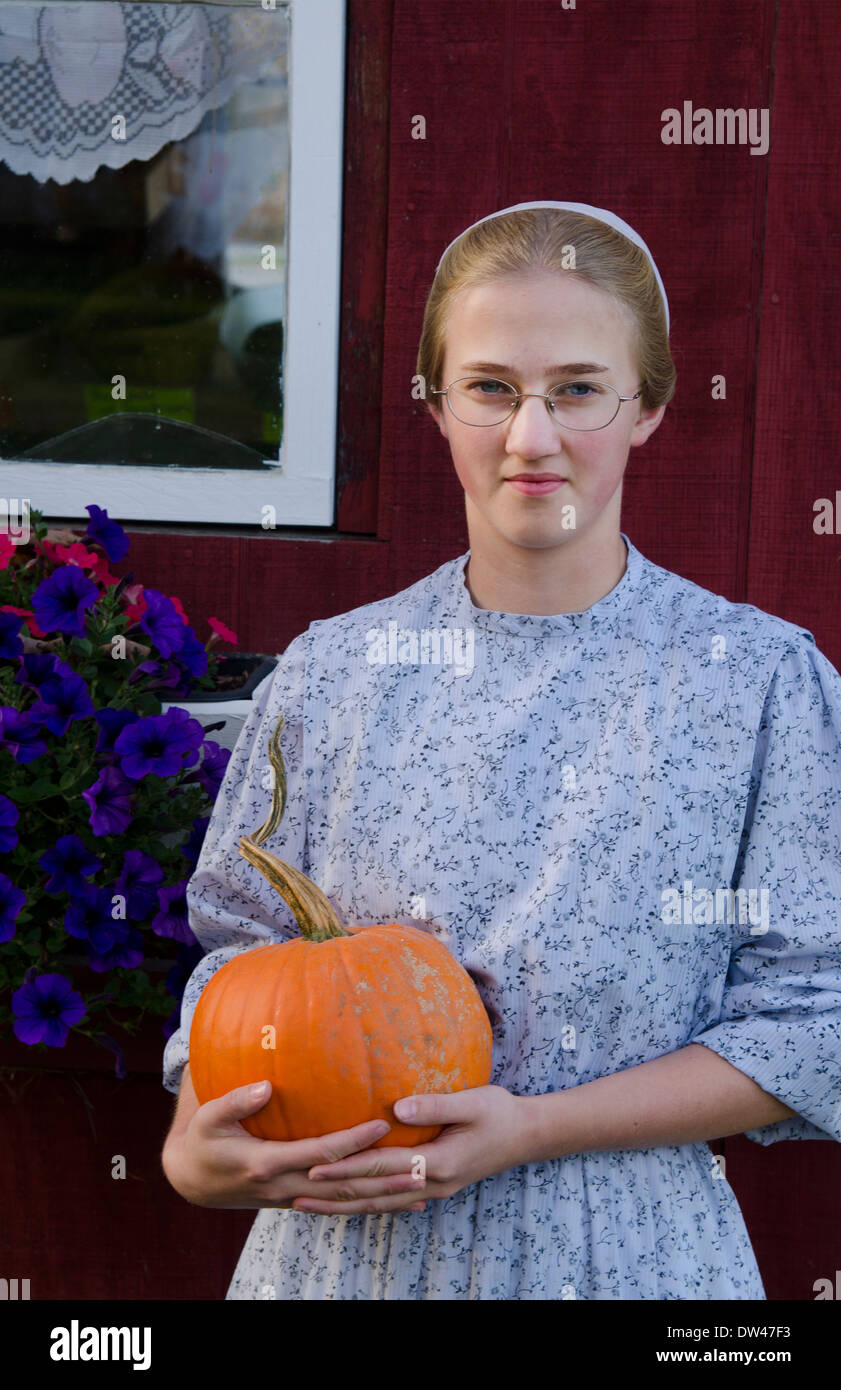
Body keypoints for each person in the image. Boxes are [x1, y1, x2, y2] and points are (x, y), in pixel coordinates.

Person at [161, 201, 841, 1300]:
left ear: (647, 407)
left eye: (576, 389)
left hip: (624, 1260)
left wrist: (530, 1128)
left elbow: (816, 1017)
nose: (531, 436)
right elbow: (242, 958)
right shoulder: (333, 675)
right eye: (488, 388)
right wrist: (198, 1142)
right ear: (435, 405)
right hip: (349, 1260)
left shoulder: (755, 682)